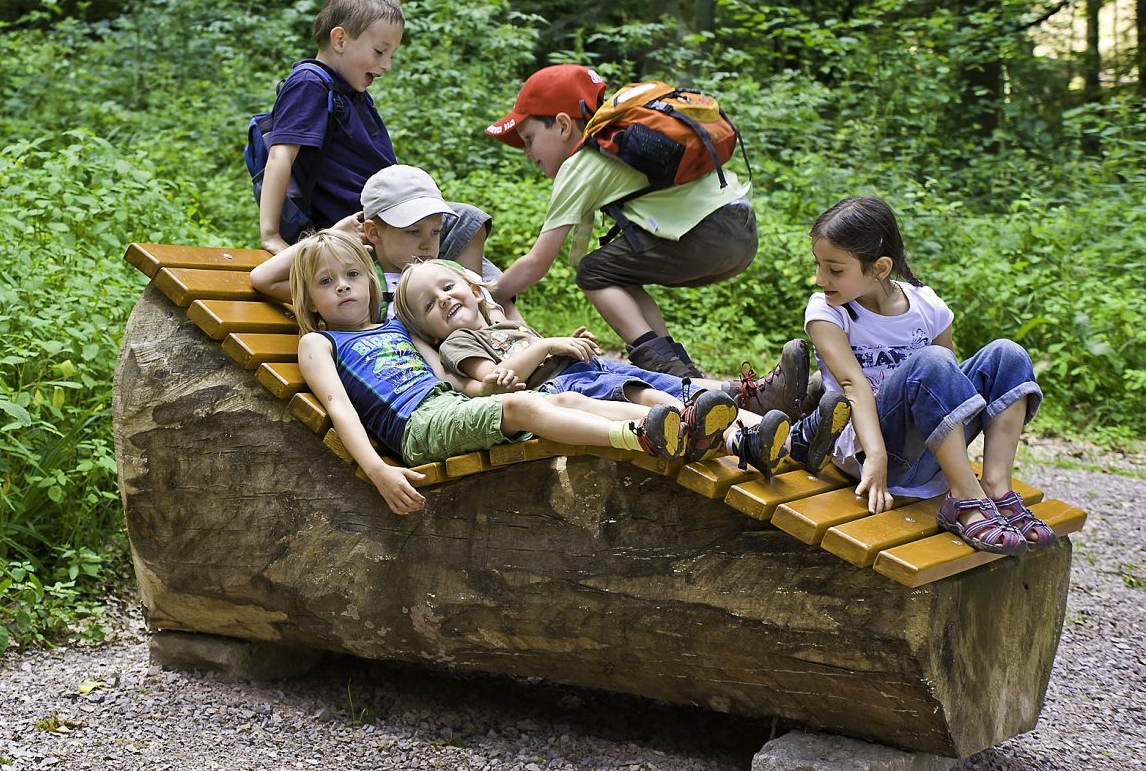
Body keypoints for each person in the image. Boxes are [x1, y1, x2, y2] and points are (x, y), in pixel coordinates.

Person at [290, 231, 717, 515]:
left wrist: (484, 381)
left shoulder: (396, 327)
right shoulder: (319, 342)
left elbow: (452, 362)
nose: (342, 286)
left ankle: (672, 426)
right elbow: (338, 406)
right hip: (417, 427)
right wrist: (376, 469)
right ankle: (638, 436)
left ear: (369, 281)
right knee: (522, 404)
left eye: (350, 275)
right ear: (308, 302)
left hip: (451, 408)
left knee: (565, 401)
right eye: (325, 282)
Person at [395, 259, 853, 478]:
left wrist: (568, 344)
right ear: (430, 331)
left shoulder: (506, 321)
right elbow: (486, 381)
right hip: (566, 391)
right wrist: (548, 347)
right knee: (660, 401)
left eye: (449, 286)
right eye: (430, 305)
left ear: (476, 290)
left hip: (591, 373)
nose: (445, 300)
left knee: (681, 394)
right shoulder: (459, 342)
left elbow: (528, 350)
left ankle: (797, 439)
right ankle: (745, 439)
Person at [805, 196, 1052, 556]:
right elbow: (852, 384)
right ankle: (965, 499)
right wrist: (876, 455)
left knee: (1007, 354)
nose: (820, 278)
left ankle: (996, 488)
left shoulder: (927, 305)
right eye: (819, 265)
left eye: (835, 270)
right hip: (876, 456)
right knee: (932, 361)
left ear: (880, 268)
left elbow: (947, 385)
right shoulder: (827, 312)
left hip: (930, 452)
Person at [483, 64, 760, 383]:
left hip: (709, 235)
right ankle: (682, 373)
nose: (527, 153)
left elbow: (537, 263)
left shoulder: (584, 162)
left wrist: (490, 293)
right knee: (616, 271)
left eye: (529, 138)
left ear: (562, 125)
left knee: (593, 271)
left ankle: (665, 370)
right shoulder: (617, 144)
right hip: (741, 228)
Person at [256, 0, 491, 276]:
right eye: (380, 52)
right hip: (360, 228)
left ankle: (489, 310)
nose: (387, 64)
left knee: (475, 250)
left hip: (390, 217)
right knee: (467, 223)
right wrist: (271, 235)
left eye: (391, 54)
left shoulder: (351, 94)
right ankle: (481, 312)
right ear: (340, 40)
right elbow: (280, 157)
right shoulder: (310, 84)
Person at [251, 165, 512, 320]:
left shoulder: (449, 278)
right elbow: (265, 279)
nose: (427, 245)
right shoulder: (363, 287)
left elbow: (492, 311)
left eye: (435, 232)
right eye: (413, 232)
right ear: (373, 233)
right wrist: (335, 232)